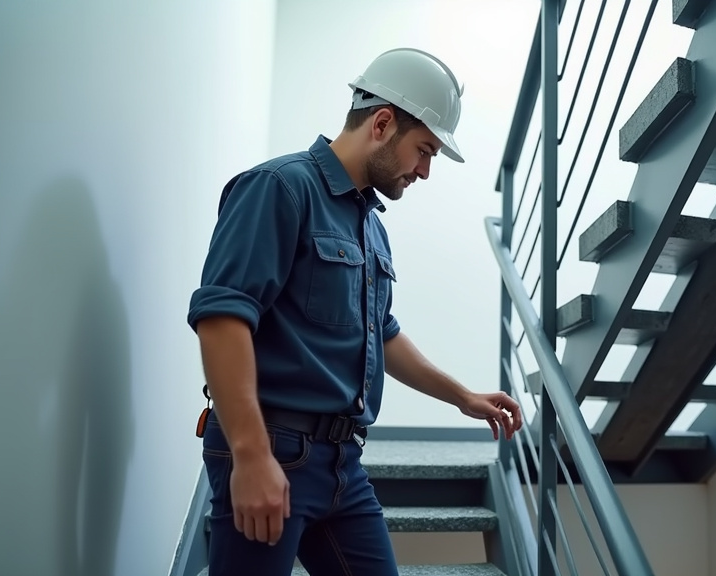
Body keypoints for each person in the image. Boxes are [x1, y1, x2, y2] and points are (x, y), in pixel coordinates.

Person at [186, 47, 523, 576]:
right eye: (425, 150)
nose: (426, 171)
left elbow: (382, 334)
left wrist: (463, 396)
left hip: (343, 464)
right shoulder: (279, 188)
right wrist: (251, 456)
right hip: (273, 447)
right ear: (383, 123)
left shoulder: (371, 225)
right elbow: (222, 319)